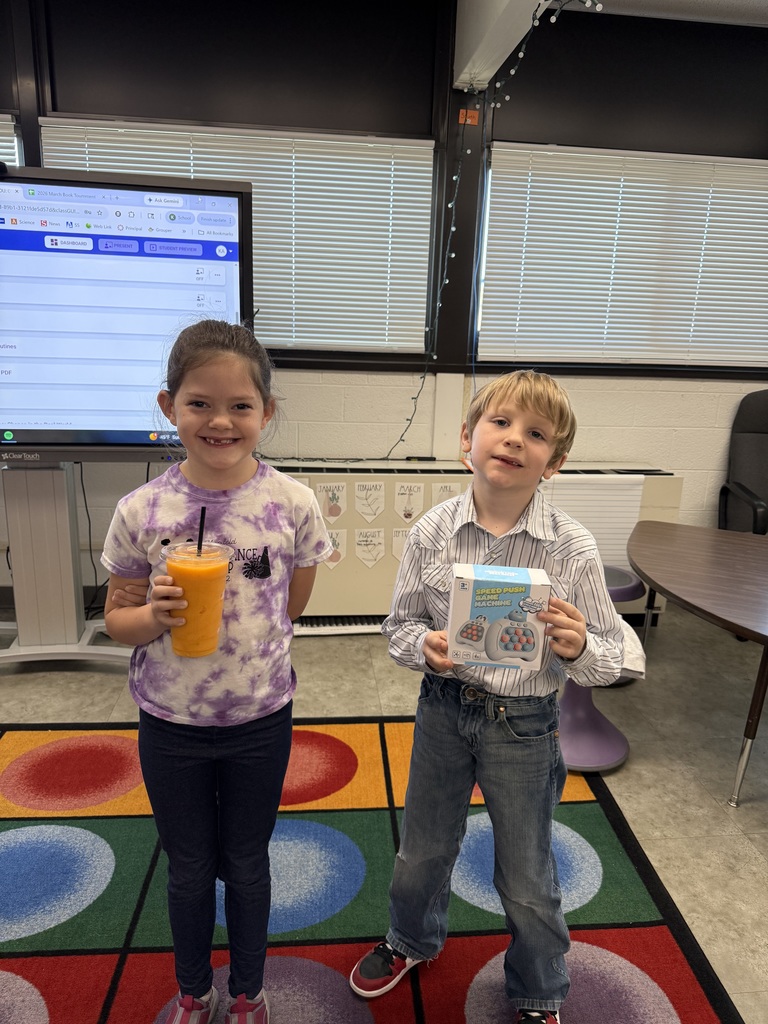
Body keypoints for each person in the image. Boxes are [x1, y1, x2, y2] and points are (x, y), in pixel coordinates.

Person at [348, 370, 624, 1024]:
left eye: (536, 434)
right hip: (445, 709)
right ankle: (410, 937)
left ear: (554, 463)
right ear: (466, 439)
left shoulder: (572, 547)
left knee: (526, 875)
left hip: (524, 724)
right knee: (421, 850)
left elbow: (618, 654)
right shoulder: (433, 531)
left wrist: (579, 646)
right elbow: (399, 626)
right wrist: (425, 647)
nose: (514, 439)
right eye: (499, 423)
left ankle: (538, 988)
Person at [102, 320, 332, 1024]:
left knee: (249, 862)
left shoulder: (292, 504)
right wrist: (154, 617)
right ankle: (193, 990)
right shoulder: (142, 510)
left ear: (267, 412)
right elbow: (118, 620)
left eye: (240, 406)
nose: (220, 421)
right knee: (190, 867)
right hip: (170, 723)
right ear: (168, 406)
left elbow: (293, 603)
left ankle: (249, 992)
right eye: (199, 403)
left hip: (260, 720)